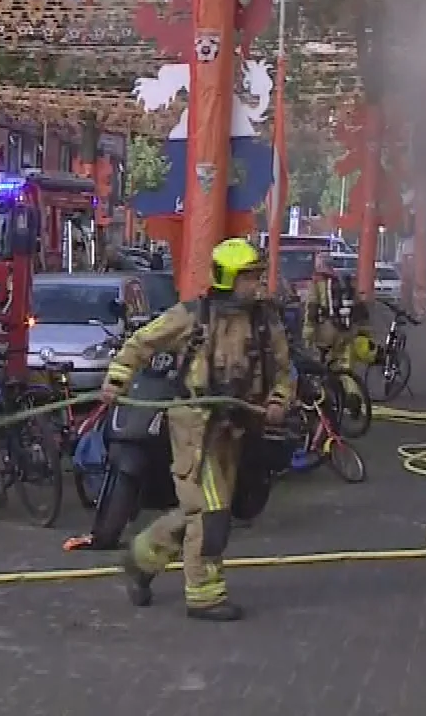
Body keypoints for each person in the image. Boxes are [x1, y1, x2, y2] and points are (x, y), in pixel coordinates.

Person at [100, 236, 293, 621]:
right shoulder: (193, 316)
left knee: (199, 509)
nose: (256, 284)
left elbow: (283, 372)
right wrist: (116, 382)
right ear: (227, 279)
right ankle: (204, 594)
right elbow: (141, 344)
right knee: (210, 510)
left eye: (257, 276)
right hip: (194, 423)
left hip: (236, 427)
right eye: (248, 277)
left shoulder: (265, 321)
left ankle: (142, 558)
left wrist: (277, 401)